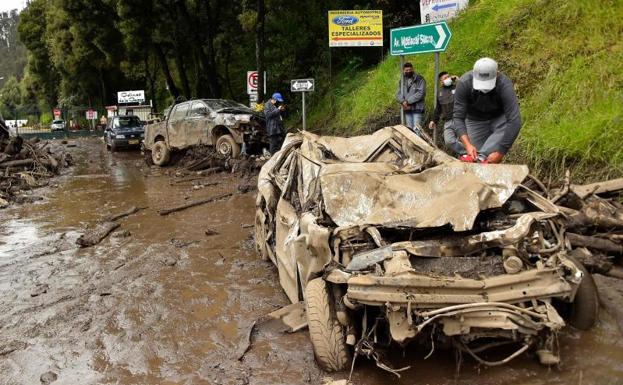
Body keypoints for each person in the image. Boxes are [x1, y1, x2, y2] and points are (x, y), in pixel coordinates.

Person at [453, 57, 522, 164]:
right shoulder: (464, 83)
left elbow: (514, 120)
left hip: (499, 119)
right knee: (476, 158)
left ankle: (485, 158)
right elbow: (458, 117)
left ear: (497, 74)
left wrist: (500, 152)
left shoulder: (504, 84)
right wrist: (467, 145)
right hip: (474, 120)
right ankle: (479, 162)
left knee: (488, 157)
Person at [429, 71, 464, 155]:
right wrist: (433, 120)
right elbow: (438, 108)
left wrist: (459, 81)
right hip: (448, 122)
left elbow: (467, 90)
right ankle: (468, 151)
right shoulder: (439, 93)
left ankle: (468, 155)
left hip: (460, 119)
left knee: (464, 139)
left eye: (448, 77)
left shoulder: (457, 87)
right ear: (441, 82)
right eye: (445, 78)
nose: (448, 79)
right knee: (449, 141)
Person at [395, 62, 426, 135]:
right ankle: (411, 146)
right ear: (403, 71)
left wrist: (408, 101)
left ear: (413, 69)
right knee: (409, 131)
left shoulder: (420, 79)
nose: (408, 71)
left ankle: (417, 146)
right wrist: (403, 102)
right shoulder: (402, 80)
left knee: (417, 130)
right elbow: (398, 93)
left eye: (410, 70)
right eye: (406, 70)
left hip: (417, 108)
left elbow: (421, 93)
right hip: (407, 109)